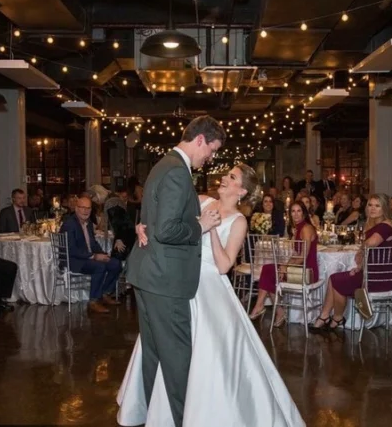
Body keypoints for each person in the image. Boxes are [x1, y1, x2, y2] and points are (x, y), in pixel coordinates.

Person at [117, 159, 305, 426]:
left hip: (208, 285)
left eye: (231, 177)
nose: (224, 179)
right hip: (178, 278)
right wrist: (143, 226)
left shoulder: (239, 221)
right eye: (226, 175)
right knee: (166, 342)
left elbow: (225, 265)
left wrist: (212, 229)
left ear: (241, 191)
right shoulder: (201, 200)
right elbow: (165, 216)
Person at [120, 116, 224, 427]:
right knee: (178, 357)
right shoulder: (178, 172)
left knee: (155, 354)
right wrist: (200, 225)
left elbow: (152, 217)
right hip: (166, 280)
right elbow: (166, 229)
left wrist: (143, 227)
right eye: (212, 150)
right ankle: (182, 421)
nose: (211, 158)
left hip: (149, 273)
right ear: (201, 140)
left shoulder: (162, 164)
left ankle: (155, 416)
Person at [310, 194, 392, 333]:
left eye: (377, 206)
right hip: (372, 273)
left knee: (337, 281)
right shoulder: (376, 224)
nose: (372, 209)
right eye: (370, 205)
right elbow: (372, 254)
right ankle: (325, 316)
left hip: (379, 278)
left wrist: (360, 251)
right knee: (334, 278)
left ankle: (336, 318)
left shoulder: (385, 225)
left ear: (384, 208)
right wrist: (359, 267)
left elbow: (371, 243)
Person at [248, 200, 318, 326]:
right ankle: (275, 310)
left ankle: (266, 308)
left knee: (268, 271)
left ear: (304, 213)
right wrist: (284, 267)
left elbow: (303, 257)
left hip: (307, 271)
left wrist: (285, 267)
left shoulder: (306, 228)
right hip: (297, 268)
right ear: (290, 214)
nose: (296, 214)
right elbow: (295, 254)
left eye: (299, 211)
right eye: (293, 211)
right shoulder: (297, 228)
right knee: (269, 271)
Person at [60, 196, 122, 314]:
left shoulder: (88, 223)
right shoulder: (69, 224)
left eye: (88, 208)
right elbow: (71, 250)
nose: (86, 211)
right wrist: (93, 256)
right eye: (83, 208)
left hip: (88, 258)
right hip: (74, 260)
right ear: (76, 209)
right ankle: (93, 301)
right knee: (100, 266)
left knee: (115, 263)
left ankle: (105, 293)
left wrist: (103, 254)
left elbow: (93, 244)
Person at [105, 187, 136, 261]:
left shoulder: (113, 207)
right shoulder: (119, 207)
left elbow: (119, 223)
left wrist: (118, 238)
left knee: (117, 259)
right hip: (128, 235)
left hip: (123, 236)